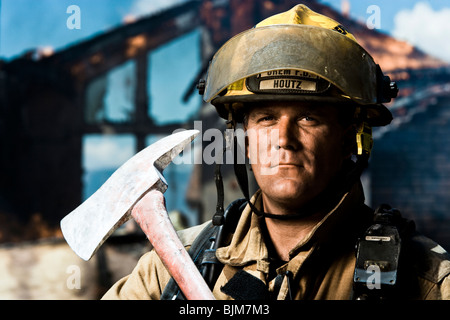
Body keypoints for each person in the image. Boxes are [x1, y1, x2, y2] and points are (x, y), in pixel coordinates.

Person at [102, 4, 450, 300]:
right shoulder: (169, 271)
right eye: (267, 118)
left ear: (349, 138)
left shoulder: (425, 281)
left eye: (308, 117)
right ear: (245, 136)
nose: (284, 139)